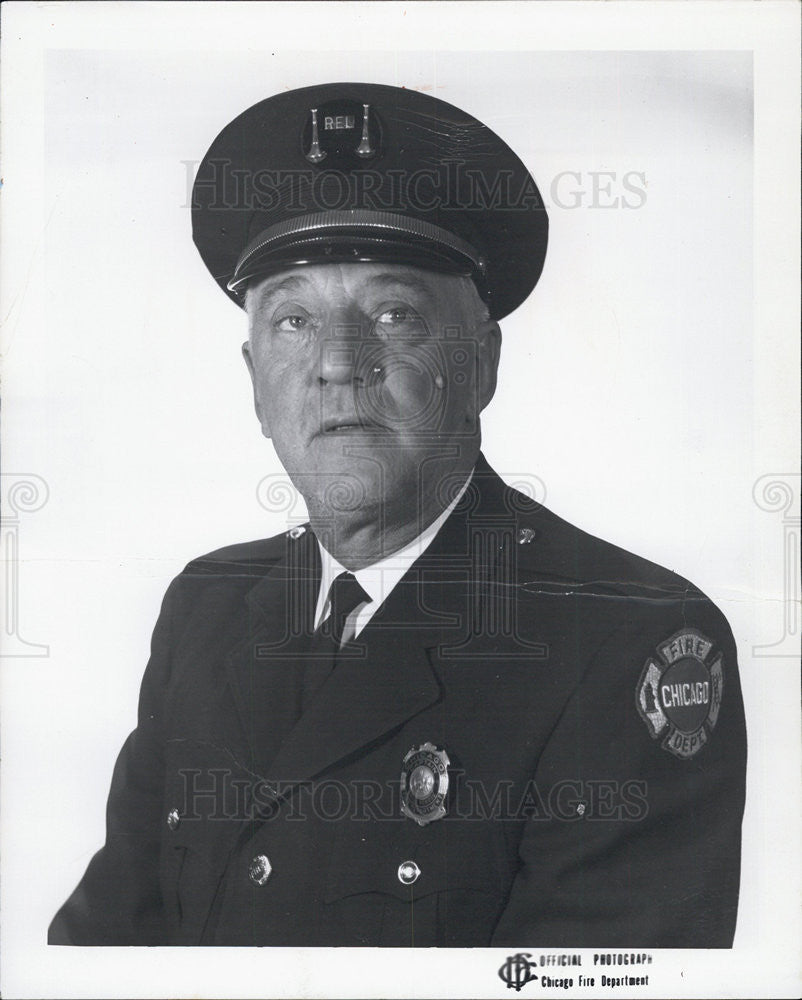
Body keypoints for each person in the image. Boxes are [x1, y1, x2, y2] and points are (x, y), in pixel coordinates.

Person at [49, 82, 746, 948]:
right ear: (255, 382)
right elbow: (99, 951)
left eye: (393, 313)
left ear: (482, 365)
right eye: (294, 319)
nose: (339, 363)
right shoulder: (207, 606)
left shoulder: (626, 639)